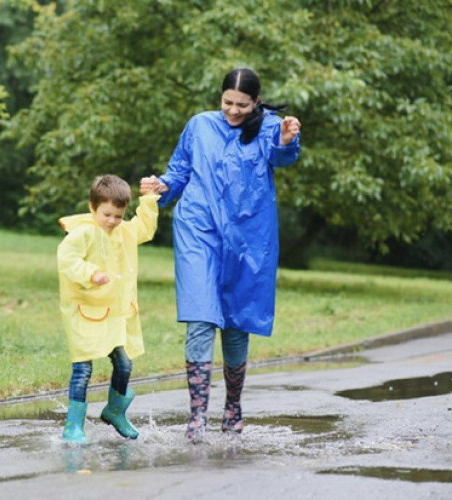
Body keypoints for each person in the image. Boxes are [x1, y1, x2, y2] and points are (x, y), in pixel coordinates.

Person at [140, 67, 301, 441]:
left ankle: (233, 406)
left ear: (256, 102)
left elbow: (282, 158)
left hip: (248, 236)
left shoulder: (268, 127)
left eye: (242, 105)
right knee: (200, 316)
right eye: (227, 102)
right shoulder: (199, 125)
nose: (232, 110)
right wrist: (160, 186)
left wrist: (287, 139)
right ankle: (197, 415)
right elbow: (178, 172)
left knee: (234, 320)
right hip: (199, 228)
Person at [57, 174, 160, 443]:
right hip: (85, 312)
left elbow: (146, 229)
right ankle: (73, 425)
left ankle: (115, 410)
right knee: (83, 369)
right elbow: (67, 260)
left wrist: (148, 199)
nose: (113, 221)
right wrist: (91, 273)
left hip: (115, 314)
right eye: (107, 214)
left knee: (124, 363)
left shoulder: (124, 231)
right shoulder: (83, 233)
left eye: (118, 215)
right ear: (93, 207)